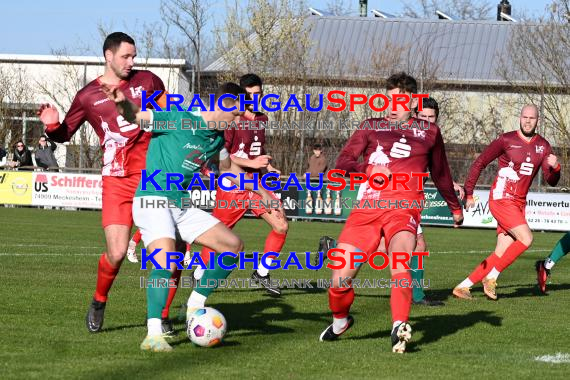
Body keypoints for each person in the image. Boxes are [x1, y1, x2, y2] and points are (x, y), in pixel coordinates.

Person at [103, 80, 270, 352]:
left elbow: (229, 170)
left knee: (233, 246)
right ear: (224, 106)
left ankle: (194, 304)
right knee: (167, 259)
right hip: (153, 199)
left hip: (181, 205)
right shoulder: (179, 118)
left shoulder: (216, 138)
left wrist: (258, 189)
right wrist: (120, 101)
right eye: (237, 115)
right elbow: (137, 115)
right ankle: (153, 334)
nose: (238, 122)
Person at [319, 72, 463, 353]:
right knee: (338, 281)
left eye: (398, 99)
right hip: (368, 209)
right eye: (388, 99)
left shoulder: (430, 132)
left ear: (411, 101)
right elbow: (343, 162)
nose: (392, 104)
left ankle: (399, 326)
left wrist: (455, 207)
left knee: (400, 260)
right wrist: (368, 169)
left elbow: (441, 173)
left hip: (403, 207)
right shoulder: (371, 126)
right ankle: (340, 321)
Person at [38, 32, 168, 333]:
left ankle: (161, 317)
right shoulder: (87, 96)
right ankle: (99, 300)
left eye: (134, 56)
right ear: (109, 56)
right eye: (126, 56)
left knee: (167, 249)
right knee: (118, 252)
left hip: (153, 176)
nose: (132, 61)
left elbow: (170, 116)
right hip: (117, 180)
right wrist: (53, 124)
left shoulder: (148, 81)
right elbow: (64, 134)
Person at [453, 105, 560, 300]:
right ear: (520, 118)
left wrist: (556, 167)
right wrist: (469, 193)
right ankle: (491, 277)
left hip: (518, 204)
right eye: (525, 117)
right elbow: (480, 163)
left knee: (501, 252)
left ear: (538, 121)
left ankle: (463, 286)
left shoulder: (543, 146)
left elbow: (551, 180)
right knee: (526, 239)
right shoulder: (506, 139)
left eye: (532, 118)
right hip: (502, 199)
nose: (528, 121)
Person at [195, 73, 288, 296]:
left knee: (281, 225)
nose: (254, 99)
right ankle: (199, 274)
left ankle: (262, 273)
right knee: (216, 237)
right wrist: (251, 162)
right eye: (249, 95)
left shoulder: (262, 119)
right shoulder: (233, 120)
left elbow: (257, 152)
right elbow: (222, 157)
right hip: (232, 186)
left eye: (258, 94)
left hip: (256, 184)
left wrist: (266, 167)